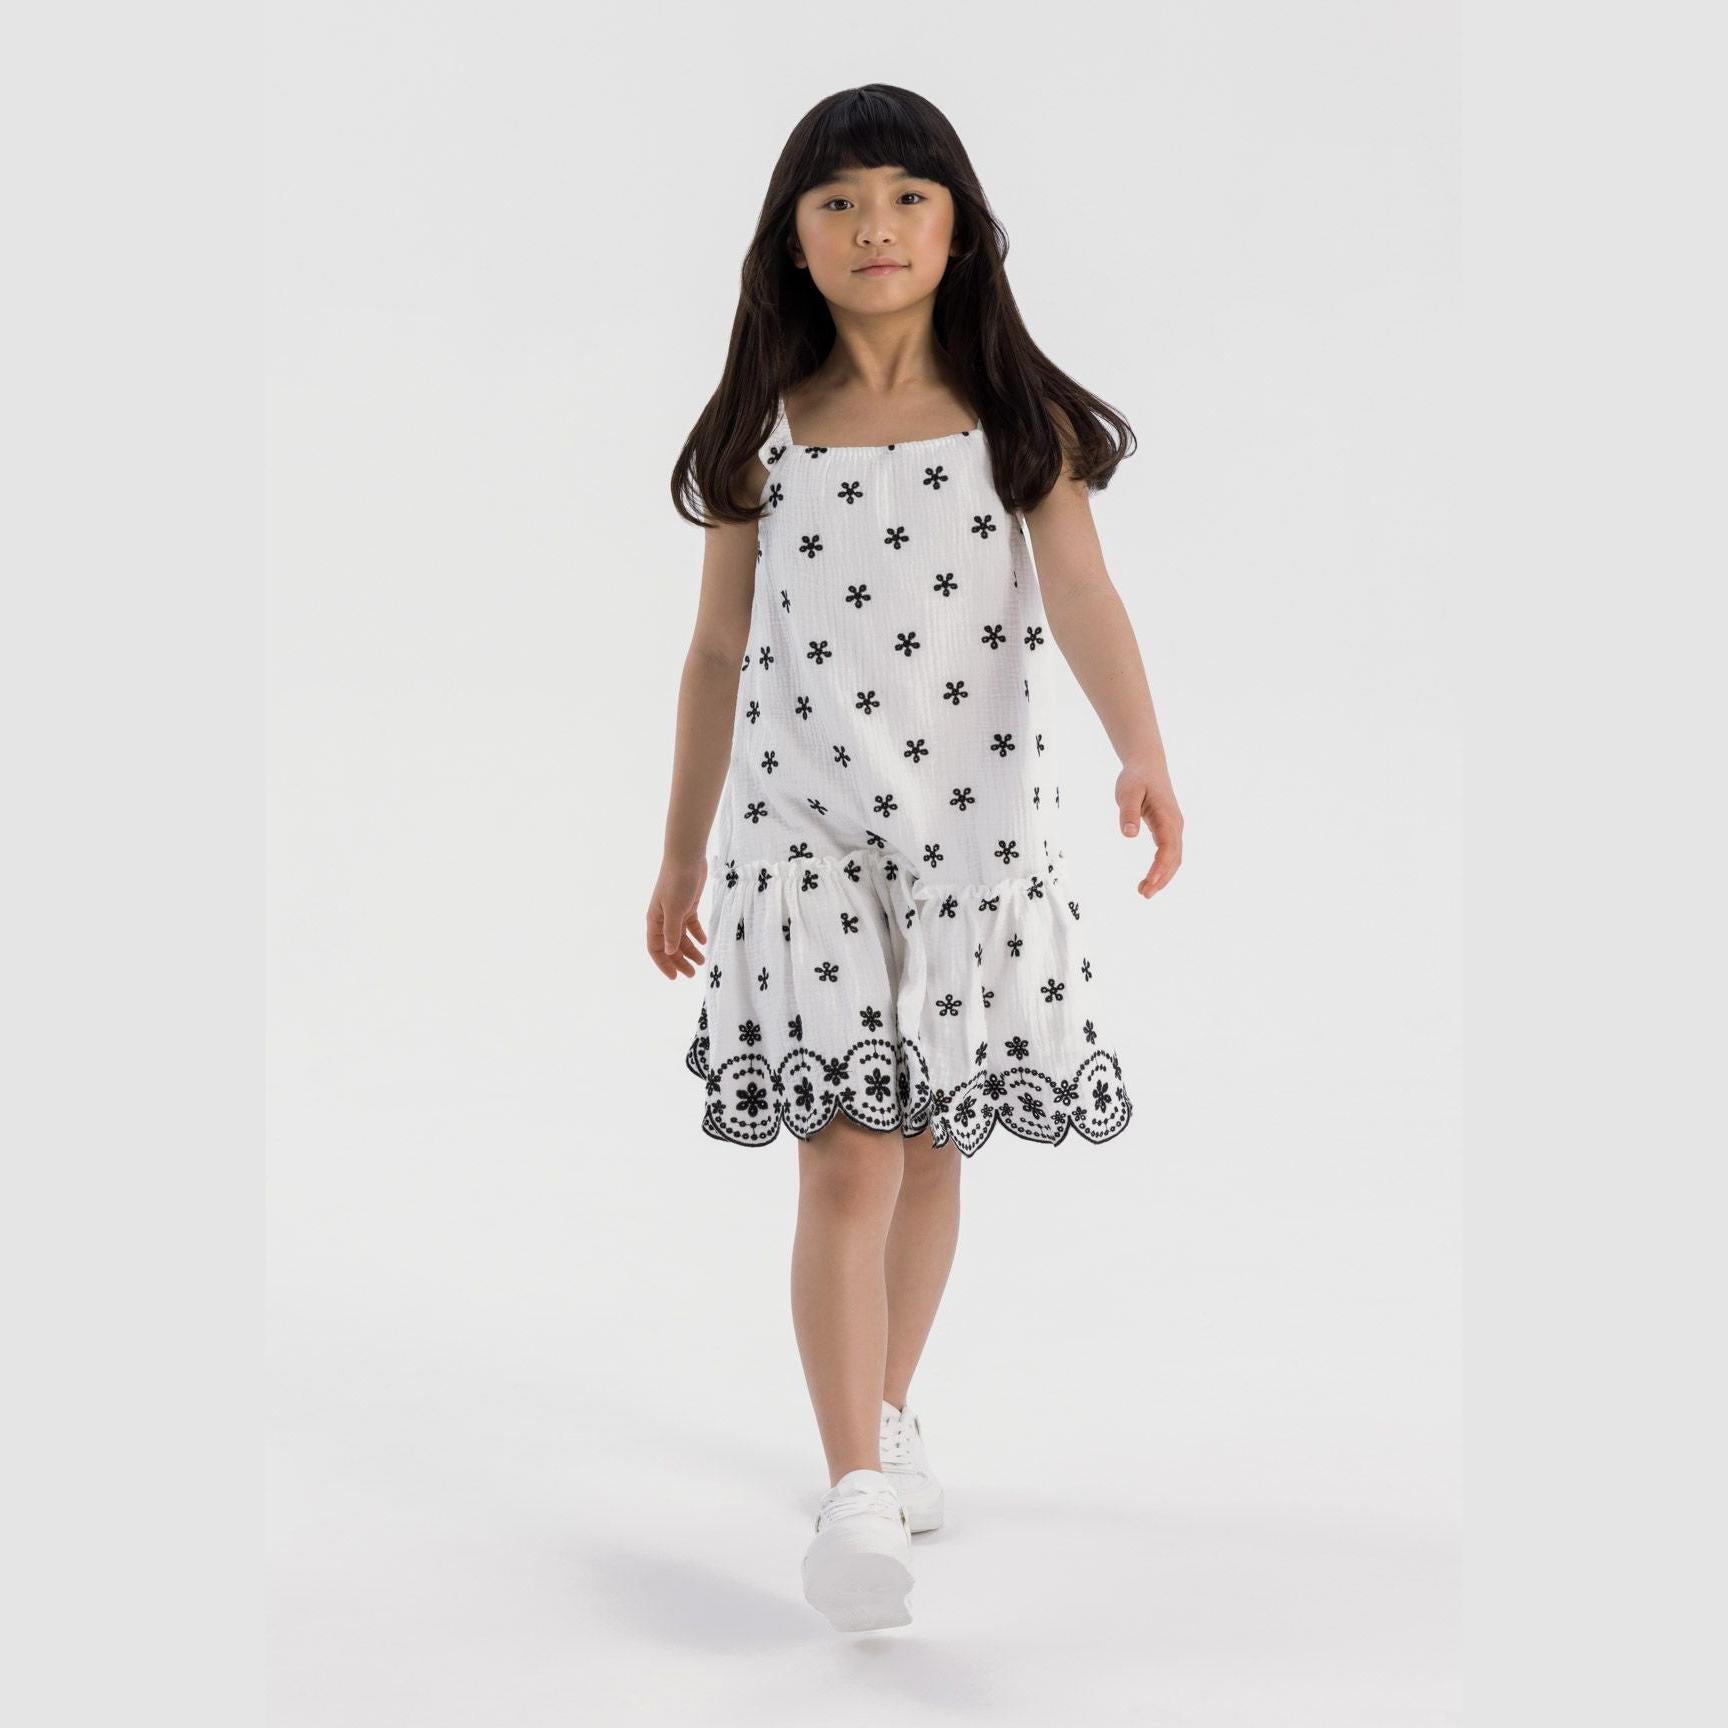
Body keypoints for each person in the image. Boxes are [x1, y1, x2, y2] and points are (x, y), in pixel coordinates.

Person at [647, 84, 1183, 1633]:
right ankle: (854, 1497)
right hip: (801, 839)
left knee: (933, 1145)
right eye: (836, 201)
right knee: (846, 1151)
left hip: (966, 838)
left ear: (959, 230)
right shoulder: (763, 432)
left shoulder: (1016, 423)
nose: (873, 225)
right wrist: (680, 853)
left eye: (905, 196)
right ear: (791, 241)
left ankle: (885, 1412)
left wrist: (1141, 748)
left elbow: (1082, 594)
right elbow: (713, 652)